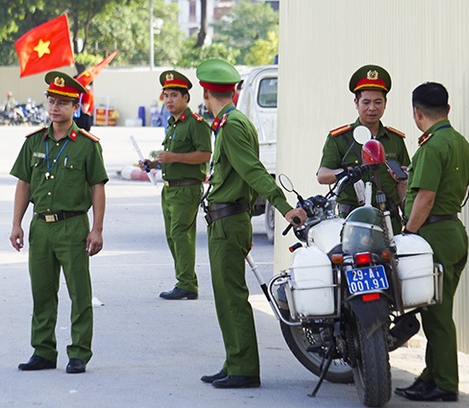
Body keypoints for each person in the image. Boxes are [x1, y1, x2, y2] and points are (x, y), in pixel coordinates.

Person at [196, 59, 307, 389]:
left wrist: (284, 206)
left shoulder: (231, 126)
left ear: (205, 93)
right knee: (224, 295)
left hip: (228, 220)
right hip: (226, 218)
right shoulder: (233, 121)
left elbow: (253, 171)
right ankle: (233, 361)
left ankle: (244, 368)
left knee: (231, 296)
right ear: (235, 90)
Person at [9, 71, 108, 374]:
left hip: (73, 226)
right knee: (42, 292)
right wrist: (16, 224)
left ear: (75, 106)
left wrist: (97, 229)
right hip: (41, 226)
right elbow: (24, 184)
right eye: (52, 101)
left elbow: (98, 188)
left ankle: (79, 352)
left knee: (79, 292)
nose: (55, 108)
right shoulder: (34, 142)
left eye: (63, 103)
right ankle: (43, 351)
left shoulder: (87, 145)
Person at [397, 82, 469, 402]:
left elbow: (425, 198)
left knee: (437, 316)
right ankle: (431, 376)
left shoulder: (430, 147)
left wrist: (409, 234)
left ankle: (444, 383)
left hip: (433, 236)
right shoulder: (459, 142)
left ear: (417, 113)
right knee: (437, 311)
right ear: (448, 109)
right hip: (453, 232)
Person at [141, 70, 212, 300]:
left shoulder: (195, 124)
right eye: (166, 95)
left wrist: (173, 158)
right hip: (169, 187)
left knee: (181, 235)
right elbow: (172, 156)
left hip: (187, 188)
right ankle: (184, 280)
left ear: (186, 98)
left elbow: (204, 155)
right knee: (173, 236)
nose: (169, 100)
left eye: (174, 95)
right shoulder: (172, 124)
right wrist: (153, 163)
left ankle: (187, 284)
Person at [316, 65, 410, 228]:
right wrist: (344, 173)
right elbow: (322, 175)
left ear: (385, 103)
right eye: (366, 102)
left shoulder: (394, 139)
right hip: (353, 221)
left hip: (389, 220)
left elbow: (403, 184)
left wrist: (408, 219)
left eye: (378, 102)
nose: (372, 108)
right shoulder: (340, 138)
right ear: (356, 102)